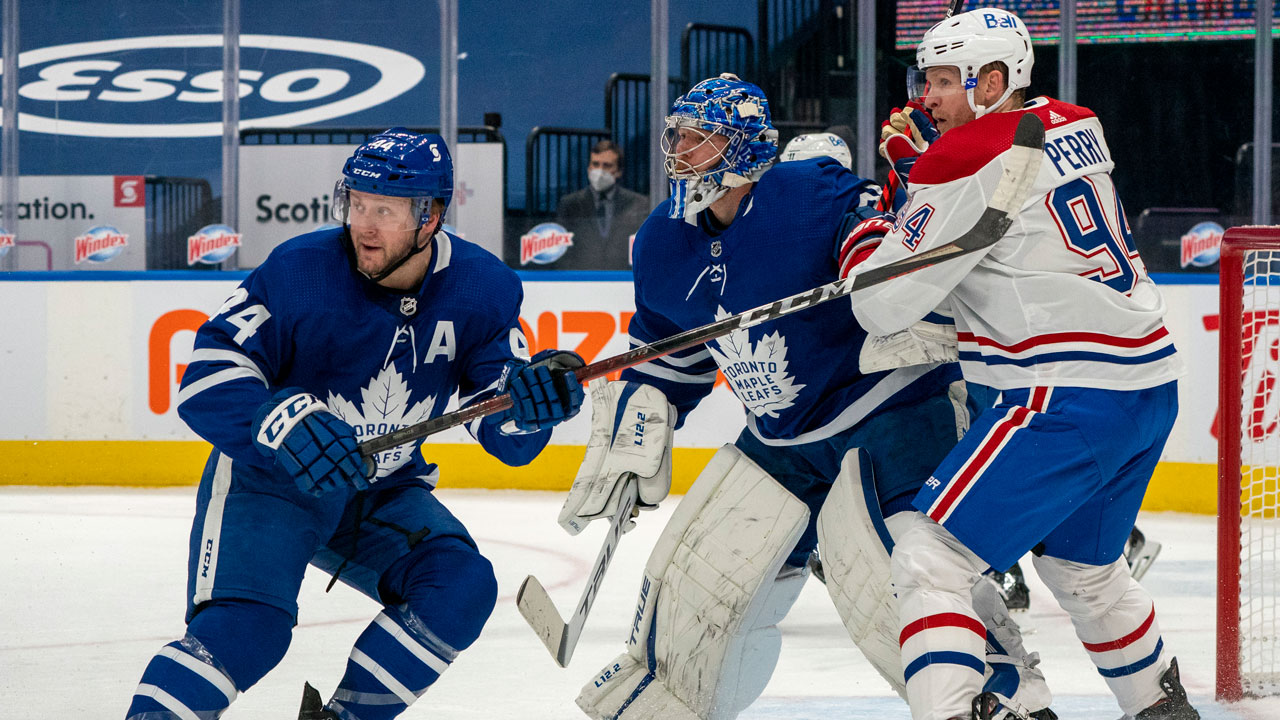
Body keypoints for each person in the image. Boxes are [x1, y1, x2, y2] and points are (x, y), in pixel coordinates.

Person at [560, 73, 1053, 720]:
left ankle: (1000, 694)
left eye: (698, 139)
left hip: (885, 412)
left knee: (890, 578)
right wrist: (636, 436)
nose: (679, 152)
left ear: (743, 150)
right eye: (676, 136)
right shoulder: (661, 240)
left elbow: (886, 242)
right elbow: (670, 353)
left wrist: (870, 253)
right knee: (693, 589)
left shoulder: (809, 193)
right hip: (779, 439)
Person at [124, 128, 586, 720]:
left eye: (385, 211)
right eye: (357, 204)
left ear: (430, 216)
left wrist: (529, 408)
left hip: (383, 488)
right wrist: (279, 422)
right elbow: (206, 376)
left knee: (459, 588)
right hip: (273, 484)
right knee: (247, 632)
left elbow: (503, 429)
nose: (363, 226)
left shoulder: (483, 288)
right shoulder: (300, 271)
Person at [841, 9, 1197, 720]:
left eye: (945, 81)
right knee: (1084, 572)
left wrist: (882, 226)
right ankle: (1164, 711)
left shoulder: (961, 158)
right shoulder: (1074, 122)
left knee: (928, 557)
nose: (927, 98)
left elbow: (879, 308)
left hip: (1061, 396)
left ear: (995, 80)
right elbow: (1016, 215)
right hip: (1146, 386)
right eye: (927, 79)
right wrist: (930, 188)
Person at [551, 139, 651, 269]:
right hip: (579, 282)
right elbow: (561, 252)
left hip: (624, 280)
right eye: (595, 164)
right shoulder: (570, 204)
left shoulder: (639, 204)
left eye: (607, 165)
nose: (600, 170)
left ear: (619, 171)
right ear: (588, 168)